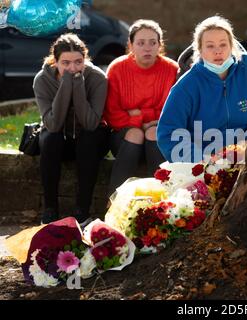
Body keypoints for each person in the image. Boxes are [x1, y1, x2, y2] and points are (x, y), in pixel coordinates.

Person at [157, 15, 247, 162]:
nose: (217, 51)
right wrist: (203, 162)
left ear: (232, 46)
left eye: (223, 44)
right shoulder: (187, 85)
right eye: (210, 46)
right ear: (199, 49)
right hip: (205, 160)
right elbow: (168, 133)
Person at [33, 33, 109, 225]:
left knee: (89, 138)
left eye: (78, 62)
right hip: (58, 138)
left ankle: (82, 211)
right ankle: (50, 209)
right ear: (55, 62)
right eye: (65, 63)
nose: (73, 68)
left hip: (89, 139)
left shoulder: (98, 78)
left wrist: (78, 87)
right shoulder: (42, 80)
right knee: (50, 138)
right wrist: (66, 86)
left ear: (85, 59)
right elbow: (53, 124)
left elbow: (91, 122)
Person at [104, 19, 179, 196]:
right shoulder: (117, 68)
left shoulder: (171, 69)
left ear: (160, 45)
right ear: (130, 45)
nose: (147, 48)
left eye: (153, 43)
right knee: (136, 133)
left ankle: (163, 199)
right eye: (141, 43)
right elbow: (112, 114)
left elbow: (171, 112)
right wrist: (144, 120)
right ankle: (113, 199)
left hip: (157, 136)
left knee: (153, 132)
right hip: (124, 139)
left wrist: (139, 115)